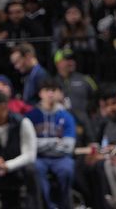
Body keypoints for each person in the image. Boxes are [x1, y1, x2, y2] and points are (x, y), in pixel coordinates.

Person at [26, 78, 76, 209]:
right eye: (47, 90)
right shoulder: (31, 116)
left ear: (59, 93)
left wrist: (41, 145)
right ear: (40, 93)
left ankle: (65, 206)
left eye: (54, 90)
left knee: (67, 169)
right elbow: (29, 145)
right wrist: (53, 142)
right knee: (34, 169)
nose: (50, 94)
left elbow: (69, 147)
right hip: (39, 158)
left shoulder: (66, 116)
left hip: (61, 158)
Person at [0, 89, 39, 208]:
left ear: (3, 106)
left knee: (32, 170)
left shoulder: (23, 123)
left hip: (17, 167)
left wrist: (8, 166)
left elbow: (30, 154)